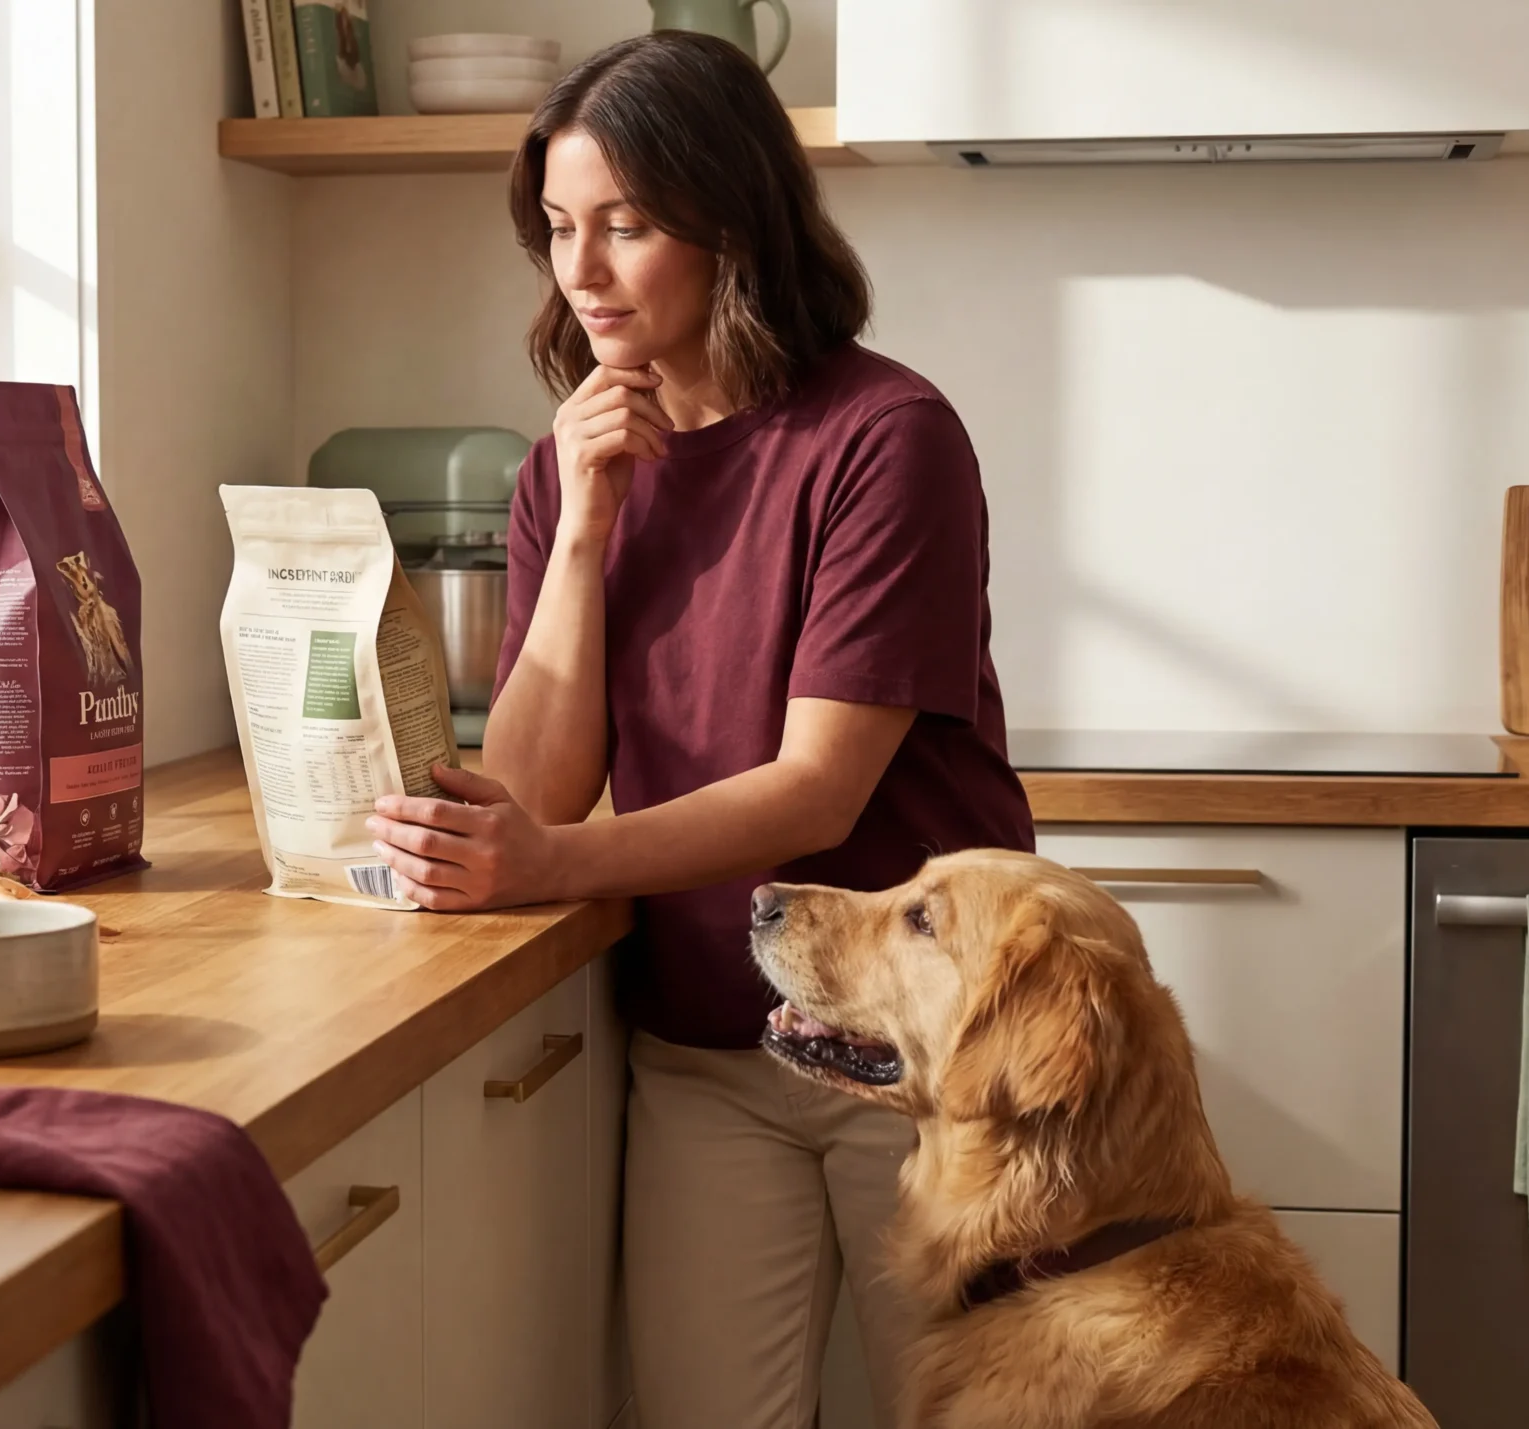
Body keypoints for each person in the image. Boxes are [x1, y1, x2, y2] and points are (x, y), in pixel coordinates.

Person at [362, 30, 1034, 1429]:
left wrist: (548, 866)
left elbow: (815, 795)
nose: (583, 271)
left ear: (732, 223)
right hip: (711, 1044)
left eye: (628, 224)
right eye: (558, 228)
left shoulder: (885, 437)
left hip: (921, 1045)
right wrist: (582, 525)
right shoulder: (574, 460)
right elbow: (542, 783)